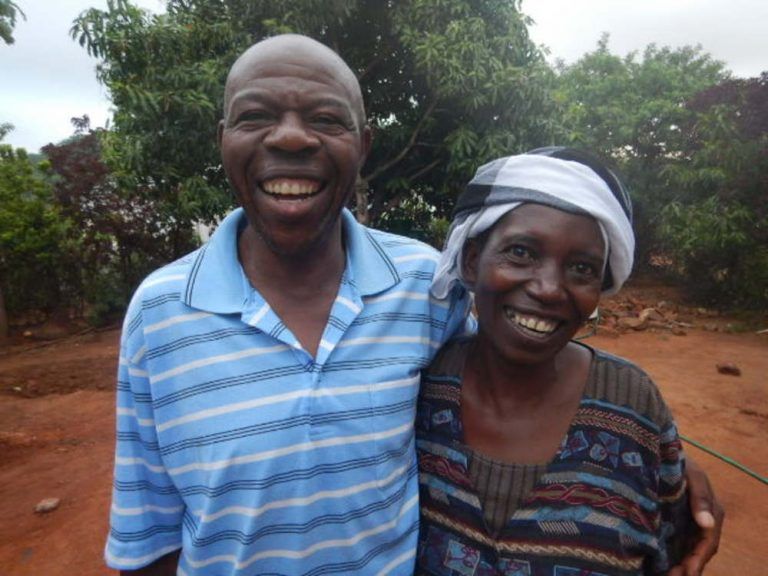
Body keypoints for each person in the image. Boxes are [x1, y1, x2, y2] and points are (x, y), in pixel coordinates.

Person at [105, 35, 721, 576]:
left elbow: (515, 359)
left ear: (364, 143)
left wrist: (655, 463)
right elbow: (148, 534)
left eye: (326, 118)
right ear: (223, 139)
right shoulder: (159, 313)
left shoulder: (423, 283)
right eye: (256, 115)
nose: (290, 136)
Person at [416, 148, 720, 576]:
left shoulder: (634, 406)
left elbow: (672, 541)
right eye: (520, 252)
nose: (549, 289)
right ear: (471, 260)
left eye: (581, 268)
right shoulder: (420, 387)